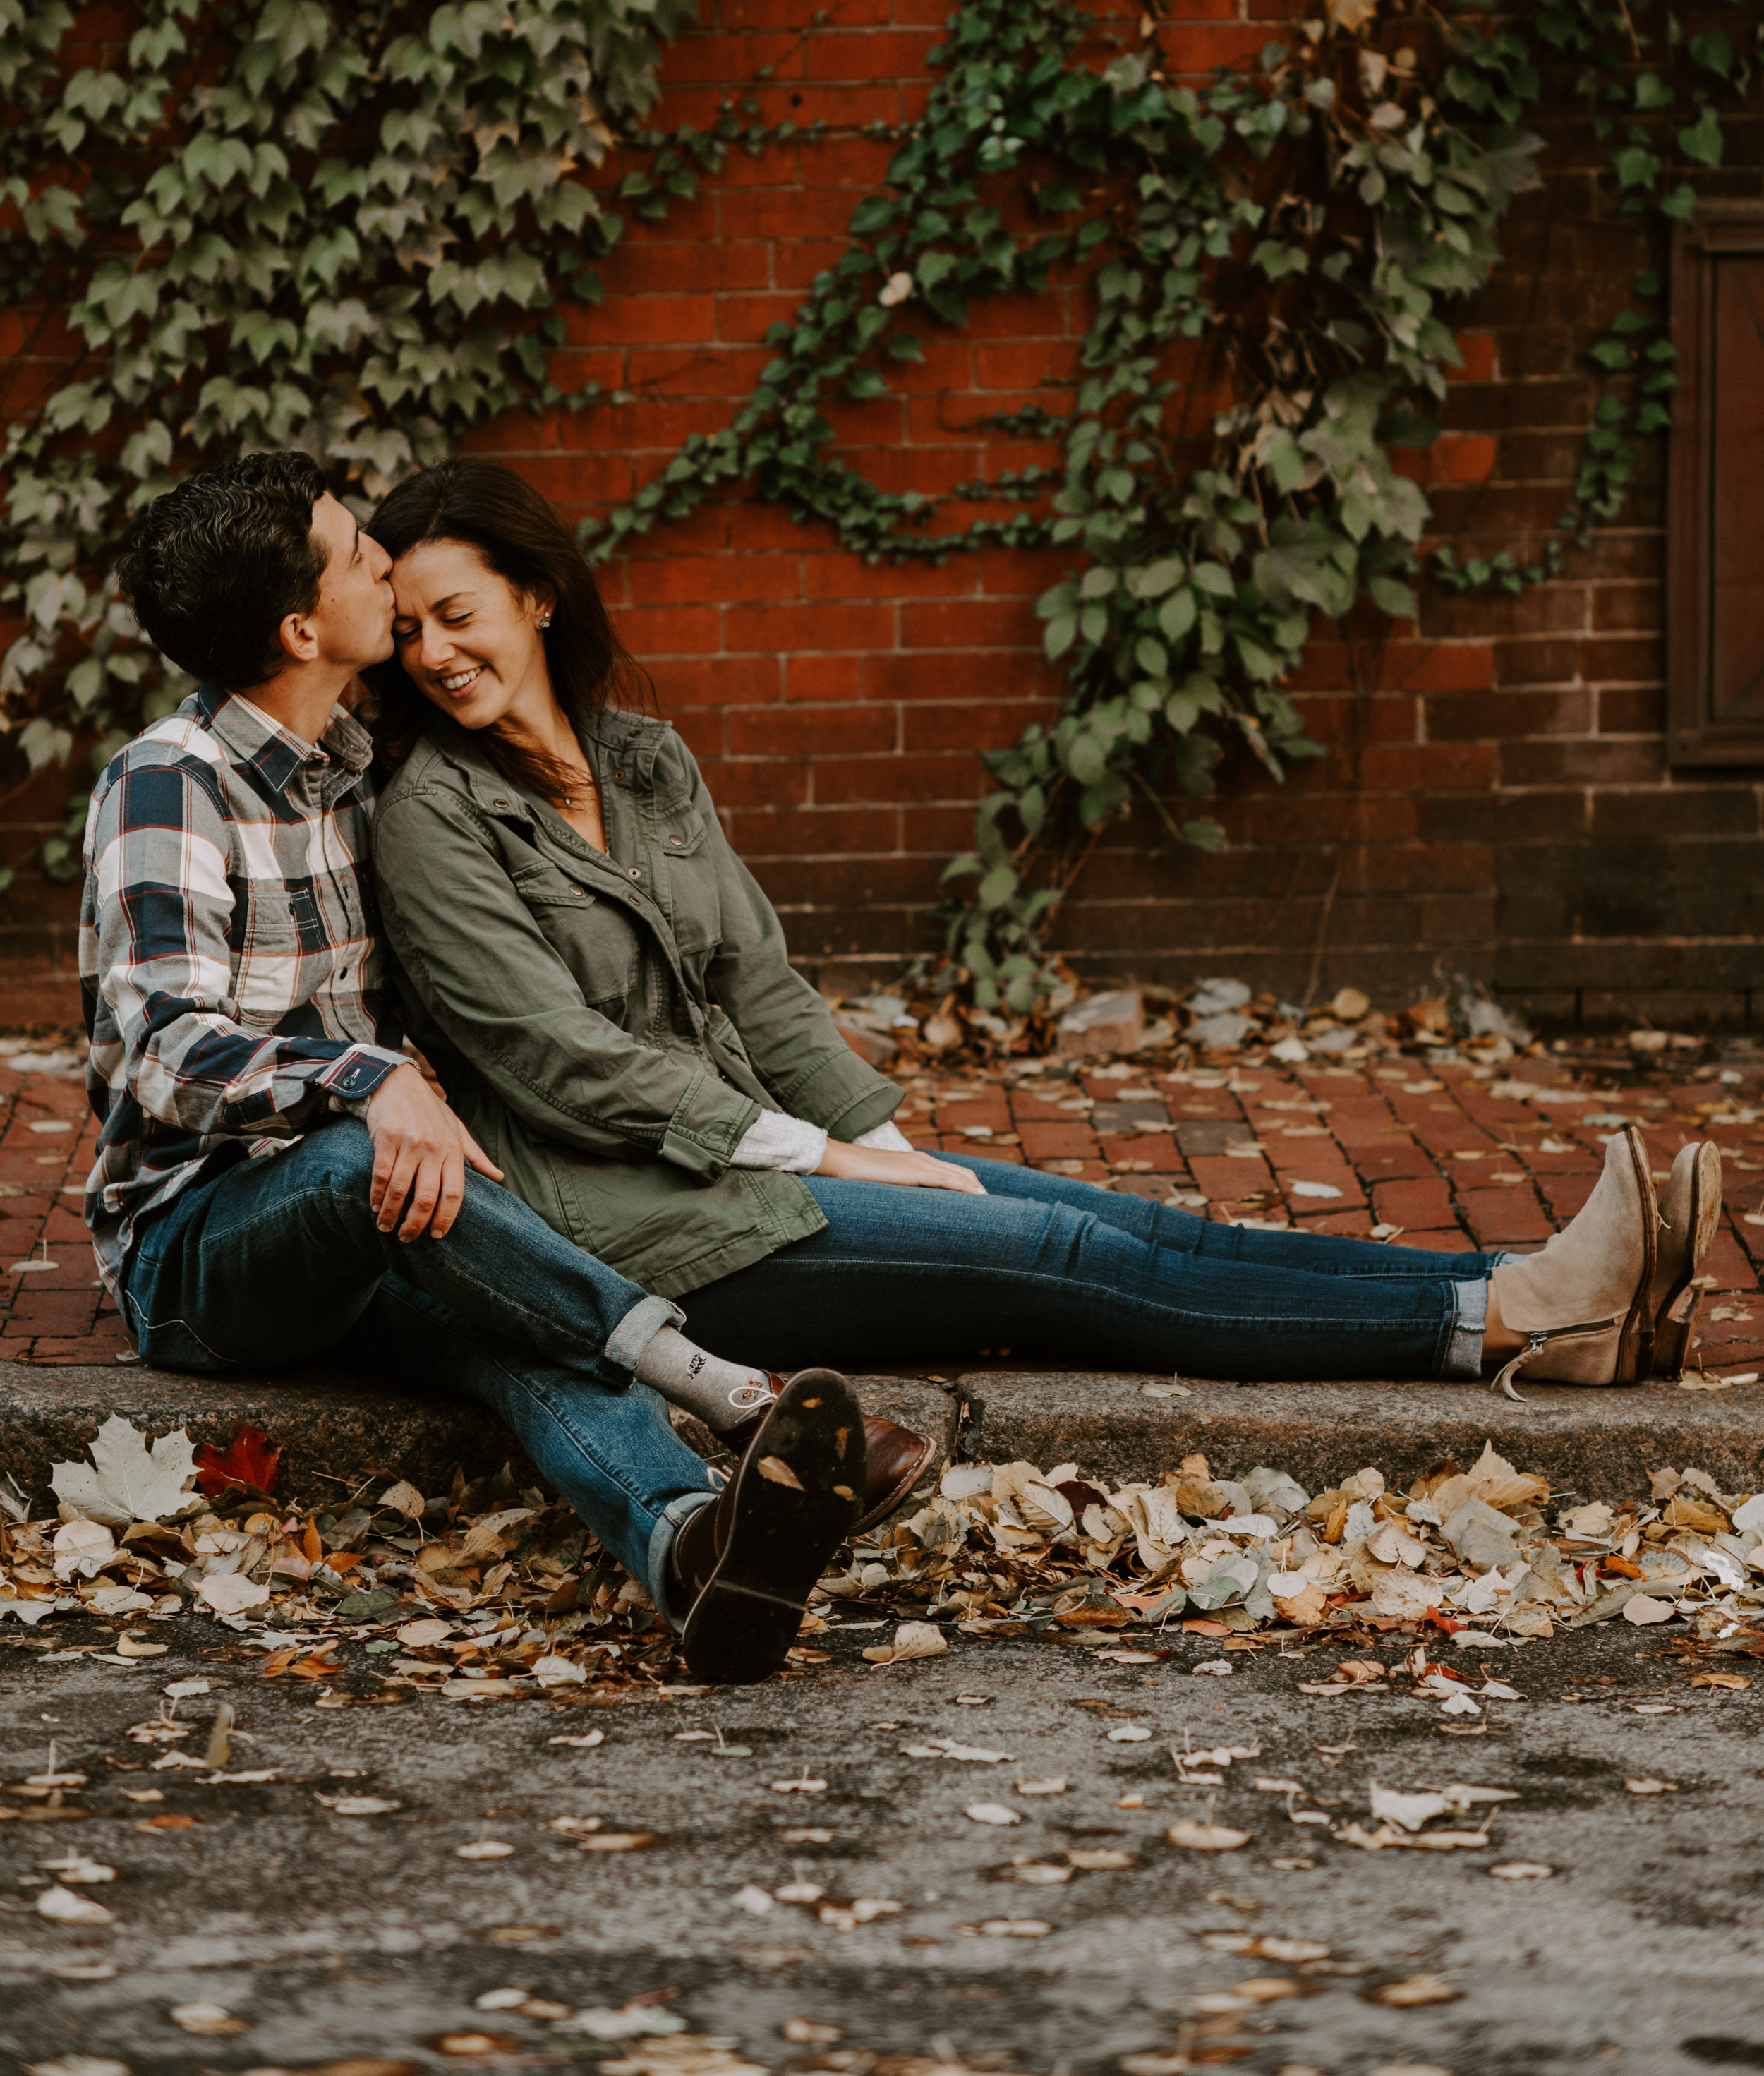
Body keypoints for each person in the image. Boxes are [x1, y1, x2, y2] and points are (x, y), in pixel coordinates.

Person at [366, 458, 1723, 1411]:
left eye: (459, 614)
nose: (433, 651)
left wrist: (896, 1155)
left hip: (768, 1169)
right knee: (1066, 1264)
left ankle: (1531, 1288)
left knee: (1133, 1221)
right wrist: (838, 1159)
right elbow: (558, 1060)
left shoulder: (643, 760)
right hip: (637, 1225)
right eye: (410, 629)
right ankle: (1506, 1325)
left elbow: (760, 987)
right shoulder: (431, 815)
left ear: (538, 597)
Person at [81, 451, 927, 1687]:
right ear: (304, 625)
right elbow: (165, 1050)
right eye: (359, 551)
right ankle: (731, 1395)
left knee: (519, 1337)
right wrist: (369, 1078)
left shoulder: (353, 778)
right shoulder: (170, 782)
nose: (385, 557)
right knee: (357, 1156)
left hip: (376, 1210)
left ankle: (693, 1548)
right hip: (199, 1246)